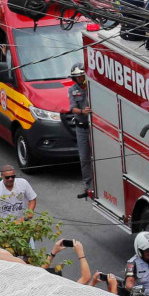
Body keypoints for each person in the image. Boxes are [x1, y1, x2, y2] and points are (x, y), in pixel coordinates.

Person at [64, 64, 93, 198]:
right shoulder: (73, 90)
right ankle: (88, 185)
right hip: (82, 128)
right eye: (78, 76)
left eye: (82, 75)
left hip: (96, 128)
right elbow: (72, 108)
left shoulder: (92, 86)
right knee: (85, 158)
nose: (81, 78)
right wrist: (82, 111)